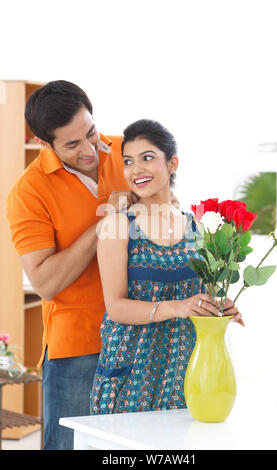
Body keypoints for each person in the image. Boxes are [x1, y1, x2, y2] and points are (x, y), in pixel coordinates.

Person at [6, 80, 143, 450]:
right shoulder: (28, 192)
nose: (89, 150)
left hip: (142, 334)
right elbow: (46, 281)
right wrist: (104, 223)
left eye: (91, 133)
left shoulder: (129, 153)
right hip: (78, 347)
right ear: (42, 143)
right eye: (72, 144)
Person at [90, 119, 243, 416]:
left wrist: (220, 307)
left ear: (172, 163)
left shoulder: (197, 226)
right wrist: (177, 307)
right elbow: (116, 307)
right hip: (130, 376)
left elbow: (199, 294)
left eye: (147, 158)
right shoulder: (118, 226)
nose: (136, 170)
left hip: (185, 372)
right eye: (129, 161)